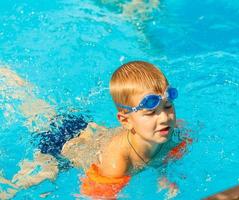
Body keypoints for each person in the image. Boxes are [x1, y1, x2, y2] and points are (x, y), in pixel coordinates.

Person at [0, 61, 191, 199]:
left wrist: (163, 178)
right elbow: (91, 195)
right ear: (126, 121)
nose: (165, 117)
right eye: (151, 113)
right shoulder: (117, 163)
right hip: (60, 147)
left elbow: (163, 158)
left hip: (86, 129)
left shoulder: (172, 134)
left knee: (36, 106)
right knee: (26, 184)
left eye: (168, 106)